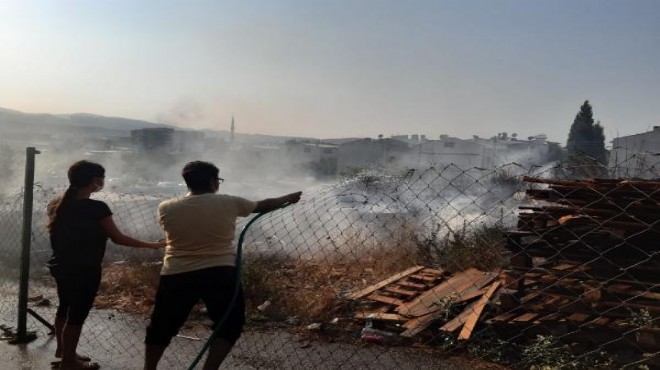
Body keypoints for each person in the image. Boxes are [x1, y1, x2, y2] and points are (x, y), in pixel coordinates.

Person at [143, 161, 302, 370]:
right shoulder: (228, 202)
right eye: (218, 180)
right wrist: (288, 198)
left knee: (161, 326)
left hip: (176, 272)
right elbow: (263, 205)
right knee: (230, 324)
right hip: (219, 271)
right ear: (212, 181)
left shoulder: (166, 207)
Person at [47, 160, 166, 370]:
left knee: (64, 306)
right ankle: (68, 363)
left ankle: (64, 351)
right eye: (102, 178)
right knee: (77, 314)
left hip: (60, 266)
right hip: (85, 270)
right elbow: (118, 238)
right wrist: (153, 245)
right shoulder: (97, 208)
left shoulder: (58, 204)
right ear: (95, 181)